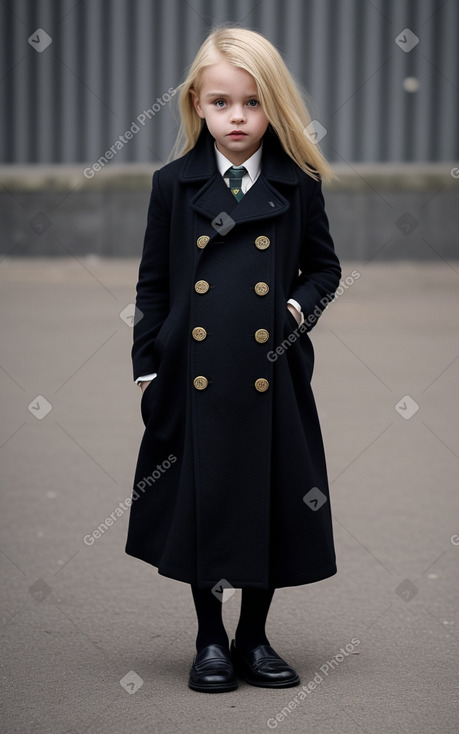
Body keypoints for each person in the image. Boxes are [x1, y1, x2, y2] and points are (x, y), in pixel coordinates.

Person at [125, 26, 342, 693]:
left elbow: (324, 270)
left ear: (272, 105)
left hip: (268, 376)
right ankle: (209, 639)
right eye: (222, 102)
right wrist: (149, 365)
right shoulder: (173, 183)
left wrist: (294, 311)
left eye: (251, 102)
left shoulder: (296, 183)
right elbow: (153, 283)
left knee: (269, 502)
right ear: (196, 103)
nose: (238, 117)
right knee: (202, 504)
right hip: (192, 379)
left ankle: (253, 636)